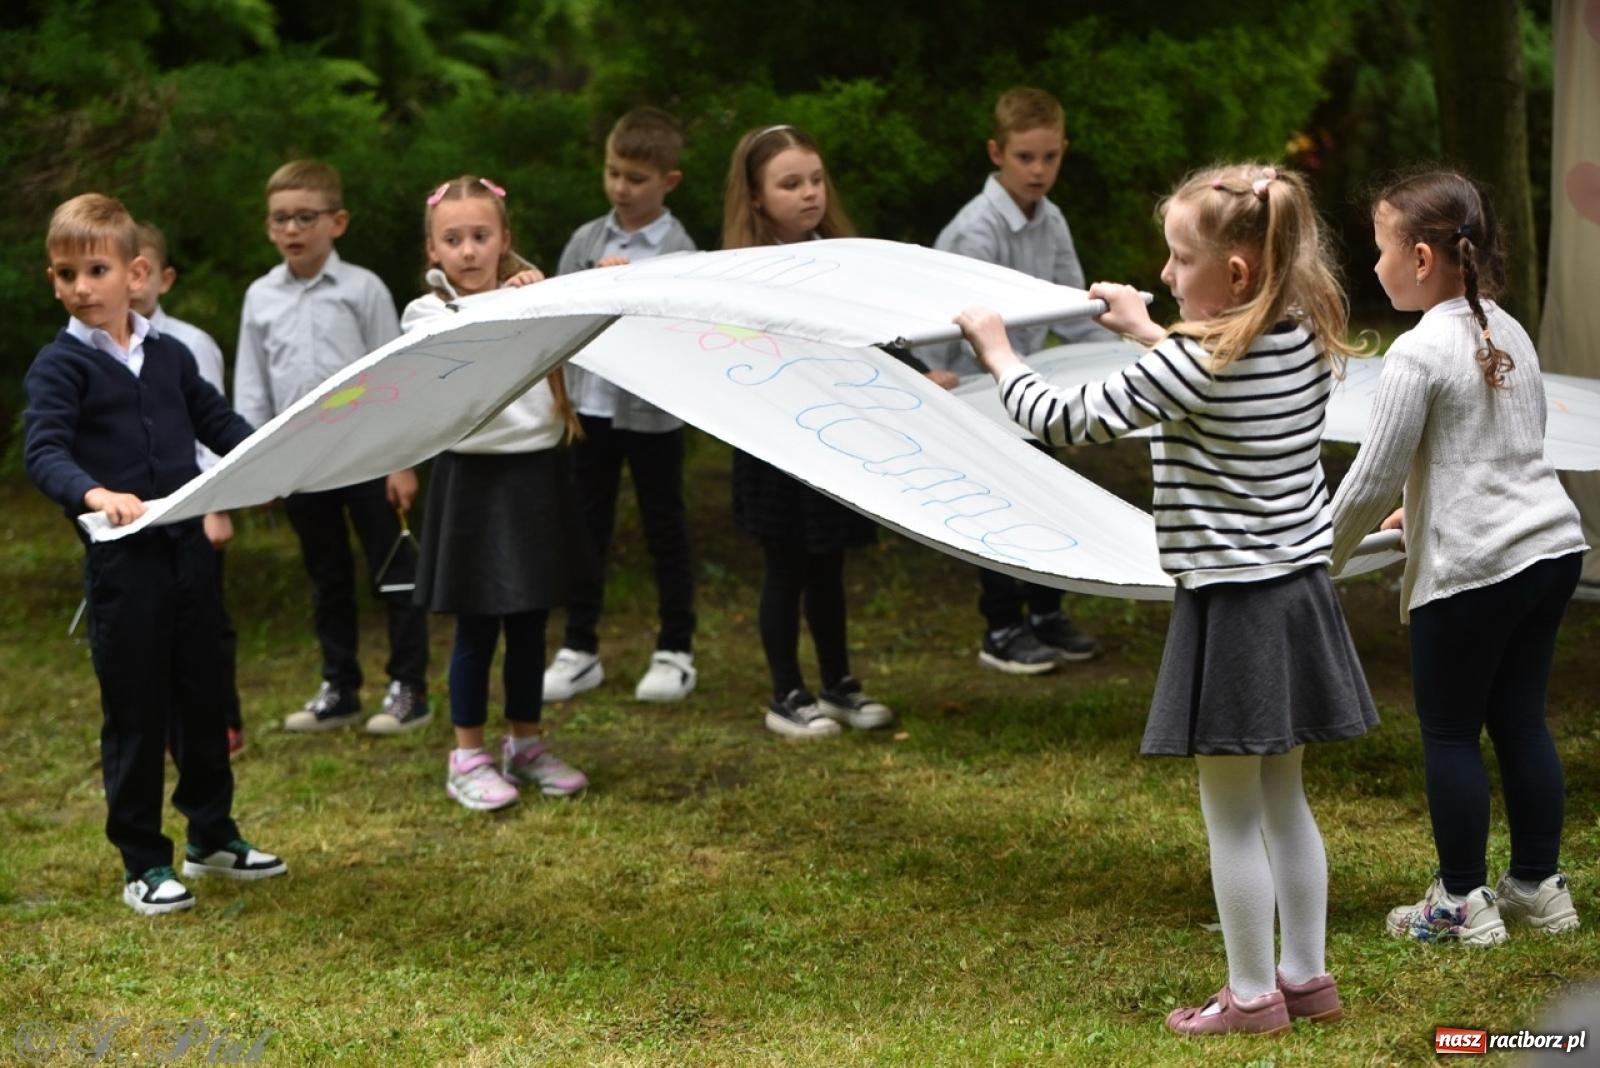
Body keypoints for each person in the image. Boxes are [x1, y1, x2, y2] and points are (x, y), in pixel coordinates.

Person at [956, 163, 1376, 1036]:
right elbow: (1211, 383)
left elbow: (1062, 417)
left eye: (1180, 260)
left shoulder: (1194, 361)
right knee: (1285, 801)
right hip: (1297, 593)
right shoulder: (1300, 333)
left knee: (1229, 815)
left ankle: (1252, 1000)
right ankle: (1307, 979)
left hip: (1234, 607)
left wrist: (997, 351)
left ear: (1236, 275)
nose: (1165, 274)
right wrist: (1151, 331)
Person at [1330, 170, 1587, 944]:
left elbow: (1372, 476)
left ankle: (1461, 905)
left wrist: (1317, 552)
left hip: (1476, 568)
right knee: (1520, 722)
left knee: (1448, 731)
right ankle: (1540, 887)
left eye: (1378, 250)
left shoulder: (1417, 352)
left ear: (1417, 258)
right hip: (1550, 550)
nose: (1371, 266)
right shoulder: (1506, 329)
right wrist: (1430, 502)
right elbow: (1504, 448)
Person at [23, 193, 286, 915]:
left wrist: (278, 459)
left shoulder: (168, 356)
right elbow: (42, 452)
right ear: (53, 280)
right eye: (65, 273)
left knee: (203, 699)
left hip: (191, 553)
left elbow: (219, 423)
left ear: (134, 272)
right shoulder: (59, 367)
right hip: (124, 568)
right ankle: (142, 859)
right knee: (137, 713)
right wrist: (92, 493)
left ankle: (212, 837)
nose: (80, 287)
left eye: (95, 269)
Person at [722, 124, 914, 738]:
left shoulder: (846, 259)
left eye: (815, 180)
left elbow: (873, 334)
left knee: (828, 566)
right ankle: (787, 693)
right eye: (790, 184)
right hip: (774, 444)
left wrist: (915, 375)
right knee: (787, 567)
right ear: (755, 196)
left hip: (835, 439)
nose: (809, 194)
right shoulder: (738, 274)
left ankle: (838, 684)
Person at [404, 174, 590, 810]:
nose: (467, 251)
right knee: (478, 625)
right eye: (452, 239)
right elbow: (462, 346)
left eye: (481, 236)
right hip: (472, 482)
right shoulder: (427, 311)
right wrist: (518, 301)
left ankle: (526, 743)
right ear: (432, 249)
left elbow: (593, 318)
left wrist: (597, 278)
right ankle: (468, 754)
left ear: (503, 239)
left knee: (531, 621)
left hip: (534, 475)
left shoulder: (535, 298)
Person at [234, 159, 431, 735]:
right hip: (300, 463)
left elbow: (397, 377)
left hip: (368, 457)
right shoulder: (259, 298)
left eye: (306, 217)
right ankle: (340, 687)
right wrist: (256, 469)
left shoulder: (363, 289)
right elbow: (251, 388)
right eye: (281, 220)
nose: (293, 230)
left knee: (395, 570)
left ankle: (408, 688)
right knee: (326, 578)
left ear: (336, 222)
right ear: (269, 227)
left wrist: (402, 461)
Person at [931, 87, 1104, 675]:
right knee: (1001, 505)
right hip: (972, 388)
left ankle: (1047, 613)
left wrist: (1129, 355)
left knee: (1052, 497)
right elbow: (956, 330)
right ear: (996, 153)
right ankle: (1001, 625)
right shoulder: (975, 231)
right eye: (1025, 157)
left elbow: (1071, 310)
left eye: (1049, 157)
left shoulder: (1050, 219)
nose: (1038, 170)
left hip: (1028, 384)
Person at [542, 107, 702, 705]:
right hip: (592, 411)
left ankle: (675, 649)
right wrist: (564, 403)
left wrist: (631, 285)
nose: (621, 188)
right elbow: (557, 319)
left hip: (653, 416)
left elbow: (682, 331)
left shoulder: (681, 251)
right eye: (613, 173)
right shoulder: (586, 240)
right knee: (585, 529)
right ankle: (579, 649)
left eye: (636, 178)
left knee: (666, 528)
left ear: (669, 182)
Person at [129, 221, 246, 759]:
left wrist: (216, 507)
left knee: (206, 622)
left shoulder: (189, 344)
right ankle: (166, 727)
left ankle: (222, 720)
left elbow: (215, 429)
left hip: (196, 507)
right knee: (151, 627)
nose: (130, 285)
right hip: (136, 512)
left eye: (141, 271)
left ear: (163, 277)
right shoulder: (96, 349)